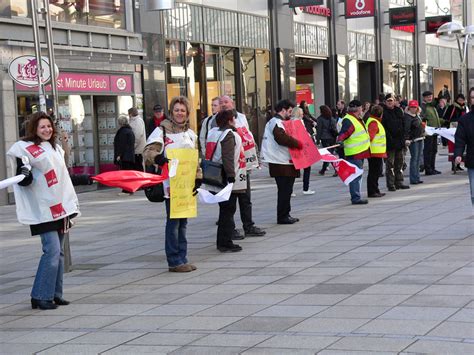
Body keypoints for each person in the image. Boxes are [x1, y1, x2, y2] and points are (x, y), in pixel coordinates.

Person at [6, 112, 80, 310]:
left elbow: (62, 174)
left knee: (59, 253)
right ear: (34, 129)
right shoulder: (25, 148)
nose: (47, 130)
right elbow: (25, 177)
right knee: (52, 250)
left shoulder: (54, 147)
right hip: (42, 208)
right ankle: (40, 295)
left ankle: (55, 294)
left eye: (49, 126)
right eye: (42, 127)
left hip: (60, 205)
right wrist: (24, 172)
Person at [143, 96, 201, 272]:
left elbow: (196, 159)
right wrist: (158, 158)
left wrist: (198, 178)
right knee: (174, 222)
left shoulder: (191, 134)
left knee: (183, 223)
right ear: (171, 112)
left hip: (187, 185)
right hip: (171, 185)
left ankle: (182, 257)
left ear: (188, 113)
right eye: (176, 110)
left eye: (183, 110)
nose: (180, 113)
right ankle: (174, 260)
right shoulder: (162, 131)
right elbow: (147, 151)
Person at [216, 96, 266, 238]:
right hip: (228, 167)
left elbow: (248, 137)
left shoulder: (242, 117)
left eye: (226, 102)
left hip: (244, 165)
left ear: (232, 103)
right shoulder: (216, 120)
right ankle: (230, 229)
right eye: (221, 103)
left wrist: (255, 157)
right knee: (229, 202)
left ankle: (248, 225)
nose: (224, 105)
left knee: (245, 198)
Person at [206, 110, 246, 252]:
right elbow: (228, 156)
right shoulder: (228, 135)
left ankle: (223, 241)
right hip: (225, 176)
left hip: (214, 174)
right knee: (228, 211)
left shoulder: (213, 132)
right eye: (233, 119)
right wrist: (231, 176)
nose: (235, 121)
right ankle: (225, 242)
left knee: (224, 210)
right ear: (229, 120)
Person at [261, 99, 302, 223]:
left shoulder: (279, 122)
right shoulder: (276, 122)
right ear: (283, 110)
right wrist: (298, 143)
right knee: (285, 190)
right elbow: (282, 138)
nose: (290, 113)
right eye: (289, 111)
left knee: (287, 190)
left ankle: (286, 214)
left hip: (284, 161)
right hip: (280, 162)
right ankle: (283, 216)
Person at [336, 100, 370, 205]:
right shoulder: (349, 120)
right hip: (354, 153)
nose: (362, 110)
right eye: (361, 108)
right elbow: (344, 133)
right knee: (356, 175)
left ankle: (356, 196)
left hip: (360, 152)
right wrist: (340, 140)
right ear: (358, 109)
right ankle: (355, 197)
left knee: (358, 174)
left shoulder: (356, 118)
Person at [382, 93, 410, 191]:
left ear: (394, 101)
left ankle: (399, 182)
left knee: (400, 163)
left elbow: (403, 125)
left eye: (391, 100)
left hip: (400, 141)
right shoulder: (383, 112)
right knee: (390, 164)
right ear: (385, 102)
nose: (390, 102)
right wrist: (389, 139)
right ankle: (390, 184)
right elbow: (384, 128)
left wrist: (404, 138)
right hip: (389, 142)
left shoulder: (399, 111)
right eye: (388, 101)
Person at [454, 87, 474, 207]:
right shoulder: (465, 119)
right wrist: (458, 154)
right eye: (472, 97)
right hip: (473, 161)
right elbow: (460, 139)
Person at [365, 105, 387, 197]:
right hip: (374, 152)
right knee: (374, 172)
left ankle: (375, 190)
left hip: (376, 152)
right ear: (381, 114)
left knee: (375, 172)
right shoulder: (374, 123)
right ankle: (372, 191)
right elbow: (370, 136)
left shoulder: (374, 121)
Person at [421, 91, 445, 175]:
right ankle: (428, 169)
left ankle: (432, 168)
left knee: (434, 150)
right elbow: (422, 119)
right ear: (424, 98)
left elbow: (435, 119)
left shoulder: (432, 107)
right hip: (428, 132)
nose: (430, 98)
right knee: (428, 151)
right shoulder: (423, 107)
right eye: (428, 97)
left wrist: (444, 122)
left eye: (431, 96)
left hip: (435, 132)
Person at [444, 93, 467, 171]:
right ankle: (453, 165)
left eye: (462, 100)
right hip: (452, 129)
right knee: (452, 147)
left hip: (461, 129)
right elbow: (446, 117)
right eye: (459, 100)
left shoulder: (464, 107)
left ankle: (458, 164)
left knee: (461, 146)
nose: (461, 101)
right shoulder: (452, 107)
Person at [113, 115, 135, 196]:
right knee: (128, 174)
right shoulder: (130, 131)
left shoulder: (123, 132)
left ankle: (127, 190)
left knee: (125, 174)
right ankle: (128, 189)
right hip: (130, 156)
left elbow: (122, 145)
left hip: (125, 157)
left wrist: (119, 155)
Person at [297, 103, 317, 195]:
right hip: (301, 147)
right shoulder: (298, 122)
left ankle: (301, 189)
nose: (302, 114)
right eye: (301, 113)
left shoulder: (298, 121)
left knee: (299, 169)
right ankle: (305, 188)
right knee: (306, 168)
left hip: (301, 146)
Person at [405, 100, 425, 185]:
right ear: (409, 107)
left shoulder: (417, 115)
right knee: (414, 158)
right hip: (413, 140)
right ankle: (413, 178)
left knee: (418, 159)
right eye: (412, 107)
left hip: (420, 138)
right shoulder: (407, 117)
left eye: (415, 107)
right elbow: (406, 129)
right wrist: (407, 139)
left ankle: (417, 177)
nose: (413, 109)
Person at [316, 105, 338, 176]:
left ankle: (336, 169)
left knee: (328, 155)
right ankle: (323, 170)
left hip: (324, 138)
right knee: (329, 154)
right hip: (332, 138)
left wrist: (318, 140)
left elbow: (319, 130)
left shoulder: (320, 119)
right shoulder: (332, 118)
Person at [128, 107, 146, 172]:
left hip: (138, 150)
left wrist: (132, 146)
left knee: (139, 168)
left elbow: (138, 136)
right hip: (136, 150)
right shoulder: (134, 120)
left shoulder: (138, 121)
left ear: (130, 114)